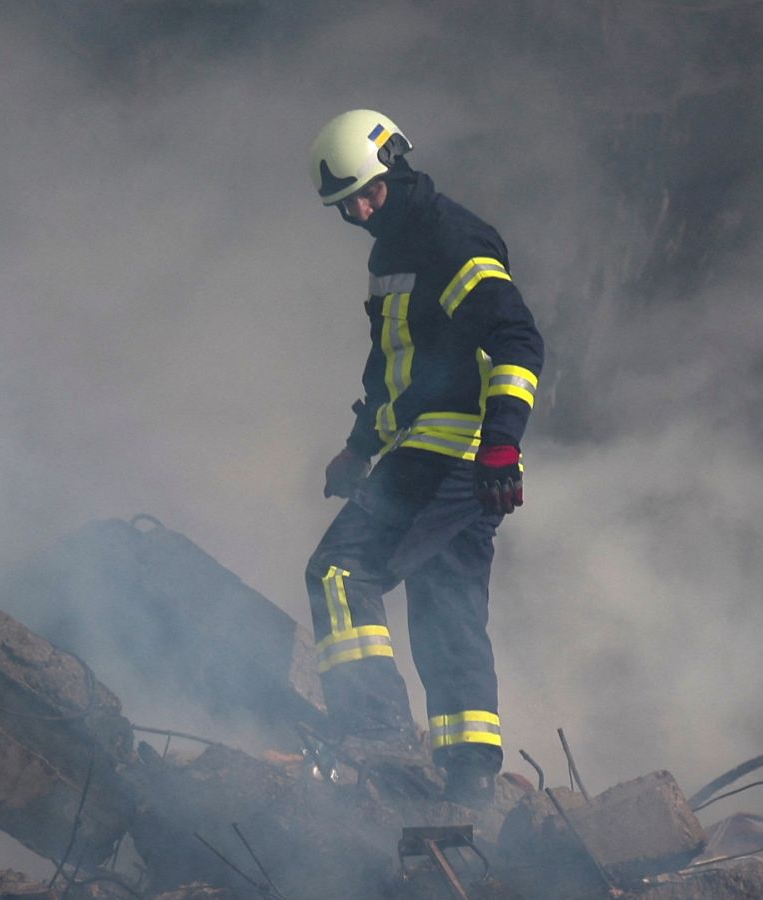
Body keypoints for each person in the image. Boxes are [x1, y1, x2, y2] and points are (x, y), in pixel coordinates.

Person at [303, 109, 544, 804]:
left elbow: (516, 341)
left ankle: (377, 743)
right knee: (447, 608)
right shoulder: (392, 254)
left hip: (453, 453)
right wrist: (360, 446)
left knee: (340, 574)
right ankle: (470, 783)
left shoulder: (449, 239)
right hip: (446, 455)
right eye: (344, 204)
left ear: (397, 165)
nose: (359, 209)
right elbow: (395, 368)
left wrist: (501, 442)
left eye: (368, 191)